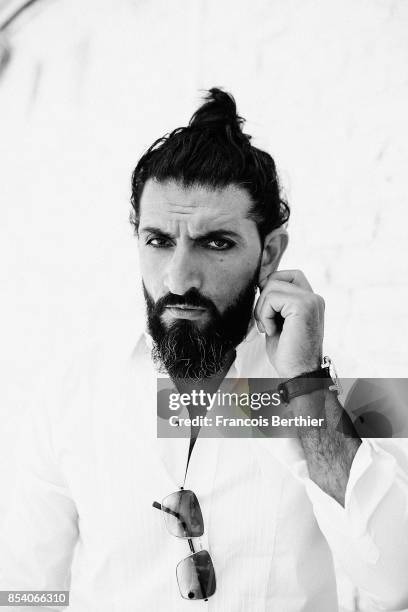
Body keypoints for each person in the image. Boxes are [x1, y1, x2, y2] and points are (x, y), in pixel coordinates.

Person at [1, 88, 408, 612]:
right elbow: (25, 587)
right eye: (159, 241)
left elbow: (398, 578)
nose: (179, 278)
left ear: (270, 254)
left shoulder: (350, 384)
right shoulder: (71, 391)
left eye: (216, 242)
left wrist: (306, 388)